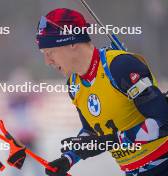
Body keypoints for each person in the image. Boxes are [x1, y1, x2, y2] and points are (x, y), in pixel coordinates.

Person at [35, 8, 168, 176]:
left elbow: (163, 122)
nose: (47, 62)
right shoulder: (74, 85)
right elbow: (91, 132)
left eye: (49, 52)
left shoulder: (119, 66)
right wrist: (68, 158)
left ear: (72, 43)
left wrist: (111, 141)